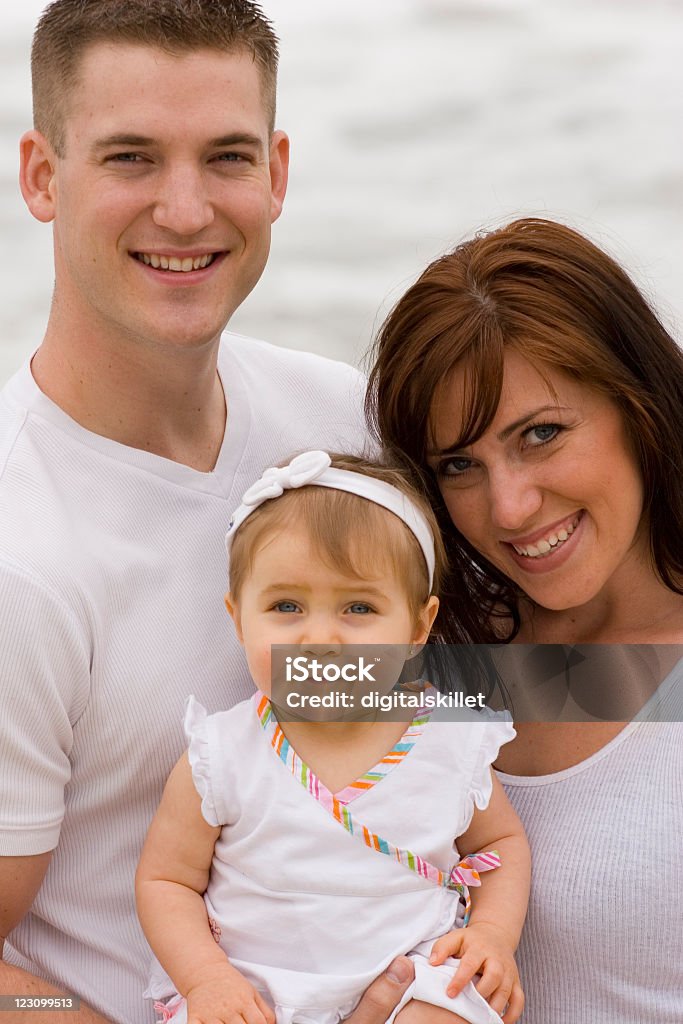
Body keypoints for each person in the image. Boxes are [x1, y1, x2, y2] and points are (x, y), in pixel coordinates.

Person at [0, 3, 409, 1023]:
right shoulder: (21, 557)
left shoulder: (346, 424)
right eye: (131, 158)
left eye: (225, 158)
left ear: (275, 172)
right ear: (43, 176)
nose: (185, 212)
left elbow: (483, 695)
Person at [366, 216, 683, 1023]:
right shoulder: (425, 660)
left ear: (637, 404)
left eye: (540, 435)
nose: (508, 507)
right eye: (458, 465)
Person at [135, 450, 531, 1024]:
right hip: (256, 992)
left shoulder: (450, 739)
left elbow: (499, 847)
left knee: (445, 1013)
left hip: (411, 980)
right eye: (286, 606)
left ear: (419, 628)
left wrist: (492, 933)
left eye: (359, 607)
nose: (320, 637)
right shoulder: (222, 754)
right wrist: (207, 978)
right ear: (239, 617)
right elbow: (167, 879)